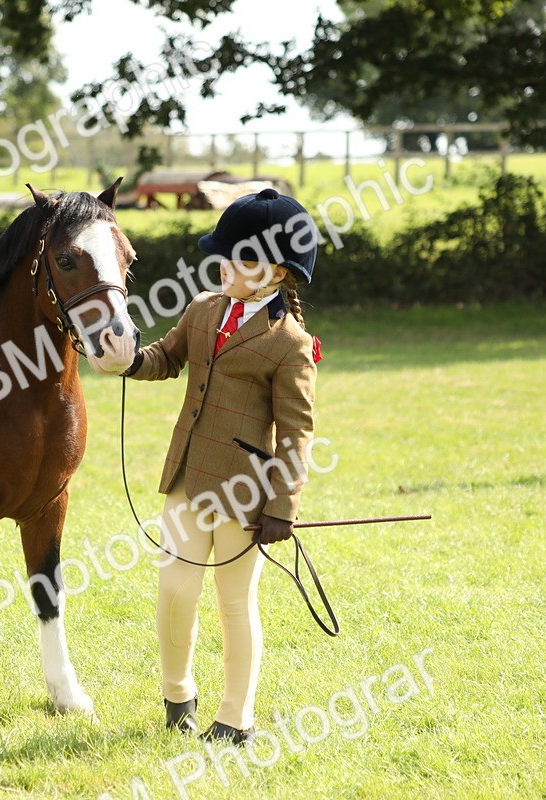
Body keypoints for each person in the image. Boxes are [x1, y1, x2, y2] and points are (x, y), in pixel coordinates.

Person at [112, 188, 320, 741]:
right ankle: (178, 695)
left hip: (244, 493)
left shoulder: (290, 344)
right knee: (175, 589)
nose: (228, 266)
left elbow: (297, 434)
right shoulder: (203, 310)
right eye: (226, 254)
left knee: (234, 601)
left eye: (244, 259)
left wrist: (283, 508)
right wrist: (129, 360)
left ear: (276, 273)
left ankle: (236, 717)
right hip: (186, 475)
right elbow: (166, 358)